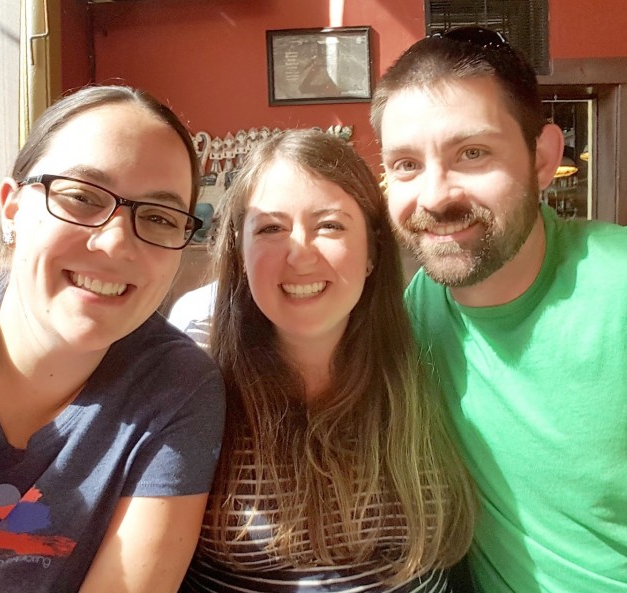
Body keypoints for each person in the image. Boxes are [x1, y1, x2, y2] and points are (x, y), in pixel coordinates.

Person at [0, 85, 225, 592]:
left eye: (157, 217)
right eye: (81, 197)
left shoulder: (175, 388)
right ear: (12, 209)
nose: (114, 243)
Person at [370, 27, 627, 593]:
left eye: (472, 153)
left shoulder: (617, 289)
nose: (436, 196)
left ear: (543, 158)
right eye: (407, 165)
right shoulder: (416, 311)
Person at [181, 129, 476, 592]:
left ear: (373, 252)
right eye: (271, 228)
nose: (299, 253)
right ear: (240, 252)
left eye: (331, 225)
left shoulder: (433, 358)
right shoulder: (195, 379)